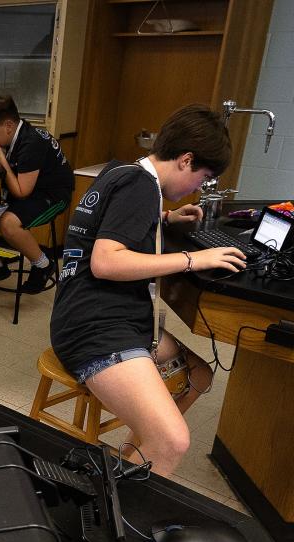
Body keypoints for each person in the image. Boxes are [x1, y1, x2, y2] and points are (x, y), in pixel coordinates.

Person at [50, 104, 246, 477]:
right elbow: (105, 262)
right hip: (95, 328)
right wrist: (194, 259)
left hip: (94, 313)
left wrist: (166, 218)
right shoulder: (141, 187)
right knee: (174, 440)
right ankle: (124, 515)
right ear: (186, 160)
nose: (197, 188)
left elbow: (112, 223)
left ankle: (125, 470)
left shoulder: (123, 171)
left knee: (199, 375)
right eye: (202, 177)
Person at [0, 95, 74, 296]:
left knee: (8, 223)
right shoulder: (12, 135)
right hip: (26, 190)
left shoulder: (32, 143)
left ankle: (43, 264)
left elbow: (22, 193)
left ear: (8, 125)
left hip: (53, 195)